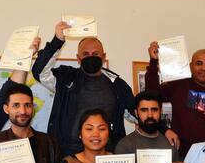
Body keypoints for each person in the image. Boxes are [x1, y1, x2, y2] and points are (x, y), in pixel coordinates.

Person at [32, 22, 136, 155]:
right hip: (69, 154)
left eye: (96, 54)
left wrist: (164, 129)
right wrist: (57, 41)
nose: (91, 57)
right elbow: (39, 72)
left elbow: (140, 112)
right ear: (78, 58)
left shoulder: (118, 85)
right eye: (86, 54)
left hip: (107, 156)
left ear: (104, 57)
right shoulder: (65, 78)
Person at [146, 41, 205, 157]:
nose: (203, 68)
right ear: (191, 66)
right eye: (198, 63)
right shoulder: (178, 86)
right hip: (181, 154)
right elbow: (151, 94)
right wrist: (153, 61)